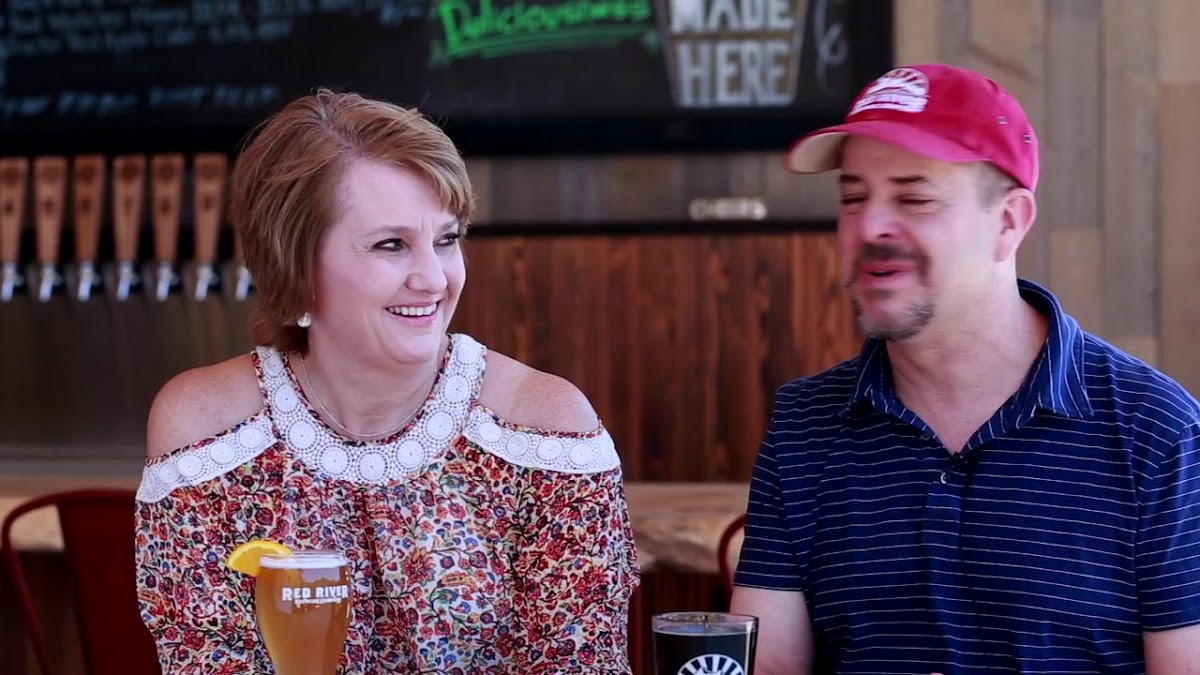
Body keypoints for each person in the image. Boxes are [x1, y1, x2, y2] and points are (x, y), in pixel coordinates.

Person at [133, 89, 641, 673]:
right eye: (391, 245)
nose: (434, 279)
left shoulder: (544, 429)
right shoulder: (206, 431)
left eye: (446, 239)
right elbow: (205, 657)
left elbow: (576, 662)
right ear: (293, 266)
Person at [729, 63, 1200, 674]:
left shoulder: (1154, 431)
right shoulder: (804, 422)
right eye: (852, 198)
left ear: (1009, 221)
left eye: (914, 198)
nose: (869, 227)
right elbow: (767, 664)